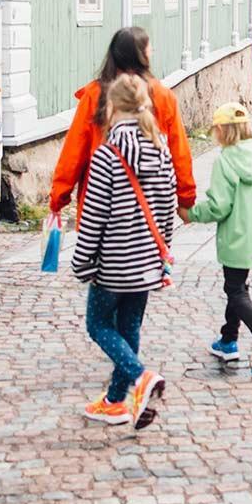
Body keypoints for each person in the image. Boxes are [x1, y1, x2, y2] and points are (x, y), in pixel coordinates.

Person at [69, 72, 178, 429]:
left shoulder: (107, 155)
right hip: (147, 261)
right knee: (129, 327)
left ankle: (140, 377)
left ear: (111, 107)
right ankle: (118, 401)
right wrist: (163, 257)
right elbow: (167, 205)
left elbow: (94, 215)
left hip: (113, 264)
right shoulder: (161, 149)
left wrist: (82, 261)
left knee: (98, 324)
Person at [49, 28, 197, 229]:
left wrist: (58, 198)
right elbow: (179, 153)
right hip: (152, 206)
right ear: (143, 55)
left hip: (100, 203)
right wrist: (185, 200)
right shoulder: (162, 96)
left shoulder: (94, 95)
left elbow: (73, 153)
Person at [187, 102, 252, 379]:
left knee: (235, 289)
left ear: (222, 130)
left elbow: (219, 206)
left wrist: (192, 214)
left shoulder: (225, 160)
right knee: (237, 284)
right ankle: (228, 340)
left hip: (235, 236)